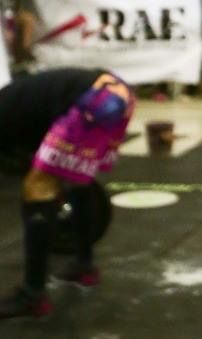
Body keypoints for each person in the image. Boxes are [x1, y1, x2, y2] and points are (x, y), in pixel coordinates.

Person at [0, 68, 134, 320]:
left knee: (37, 188)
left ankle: (33, 295)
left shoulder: (5, 115)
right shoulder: (14, 105)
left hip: (94, 101)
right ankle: (84, 267)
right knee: (78, 181)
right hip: (117, 93)